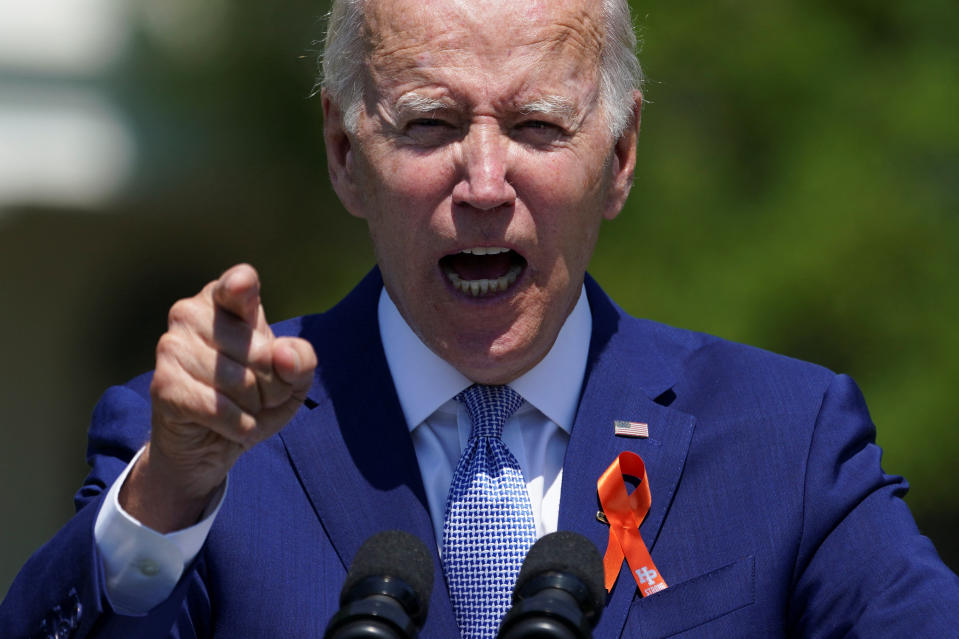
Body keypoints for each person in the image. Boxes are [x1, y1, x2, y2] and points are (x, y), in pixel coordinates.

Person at [2, 0, 957, 636]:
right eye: (430, 123)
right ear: (343, 152)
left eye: (539, 125)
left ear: (620, 157)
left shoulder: (784, 442)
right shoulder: (201, 452)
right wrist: (169, 493)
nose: (487, 183)